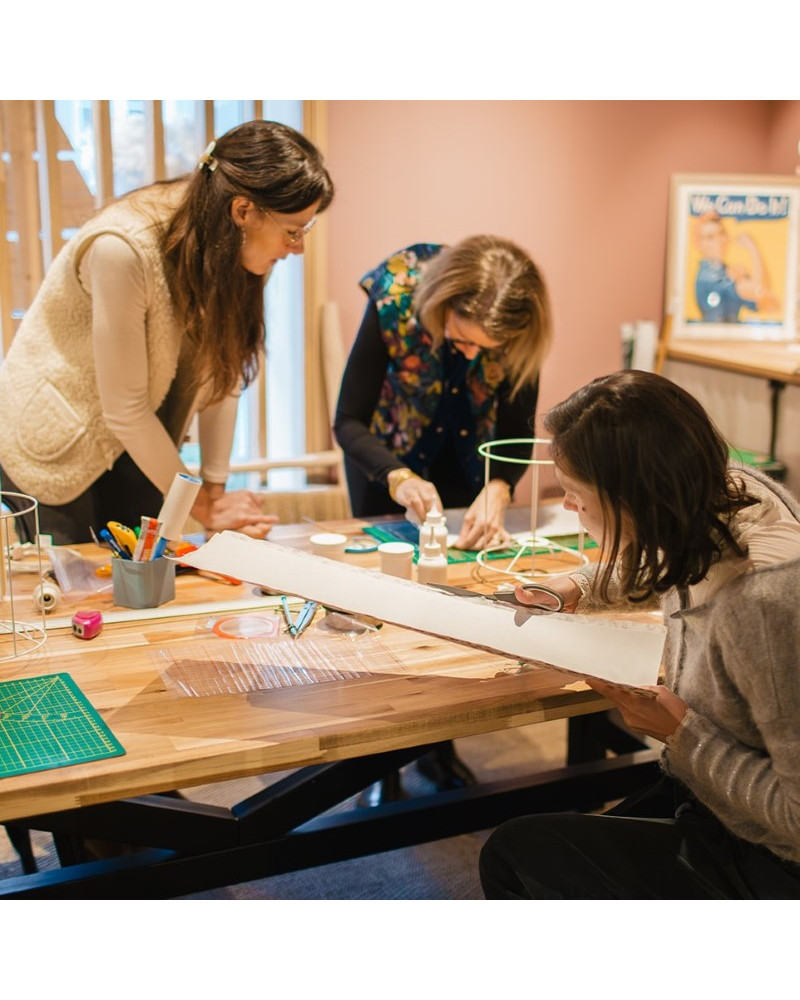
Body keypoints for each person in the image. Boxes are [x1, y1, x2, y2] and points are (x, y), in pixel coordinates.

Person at [479, 370, 800, 899]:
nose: (567, 507)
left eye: (576, 494)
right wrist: (580, 585)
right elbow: (676, 559)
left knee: (514, 854)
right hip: (713, 803)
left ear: (632, 500)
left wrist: (682, 734)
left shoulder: (761, 608)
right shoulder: (730, 493)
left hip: (773, 865)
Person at [0, 120, 334, 545]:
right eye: (293, 231)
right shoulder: (123, 248)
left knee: (145, 578)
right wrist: (201, 506)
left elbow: (224, 369)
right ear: (243, 210)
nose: (299, 248)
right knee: (79, 591)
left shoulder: (238, 246)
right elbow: (125, 408)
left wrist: (214, 487)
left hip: (138, 437)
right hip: (60, 437)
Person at [334, 236, 552, 797]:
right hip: (385, 469)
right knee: (383, 612)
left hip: (466, 471)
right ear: (439, 307)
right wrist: (399, 478)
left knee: (452, 606)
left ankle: (437, 744)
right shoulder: (394, 297)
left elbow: (517, 433)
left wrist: (500, 487)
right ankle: (378, 758)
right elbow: (348, 421)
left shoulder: (517, 323)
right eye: (461, 340)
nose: (474, 355)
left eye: (489, 349)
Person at [693, 211, 778, 323]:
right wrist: (753, 247)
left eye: (721, 233)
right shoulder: (709, 276)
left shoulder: (725, 271)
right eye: (710, 237)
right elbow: (760, 291)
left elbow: (771, 305)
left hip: (732, 335)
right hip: (715, 336)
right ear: (699, 244)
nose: (719, 241)